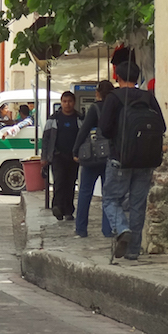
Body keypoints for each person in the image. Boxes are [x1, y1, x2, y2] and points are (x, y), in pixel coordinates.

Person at [99, 61, 165, 260]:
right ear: (137, 77)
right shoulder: (148, 97)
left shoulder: (113, 98)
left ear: (117, 77)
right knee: (138, 204)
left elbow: (105, 129)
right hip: (146, 160)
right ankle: (133, 250)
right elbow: (161, 126)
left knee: (110, 199)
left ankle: (121, 228)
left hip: (120, 158)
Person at [71, 80, 114, 239]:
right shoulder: (116, 109)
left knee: (84, 192)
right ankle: (107, 230)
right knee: (108, 194)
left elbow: (83, 131)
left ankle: (81, 229)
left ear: (97, 94)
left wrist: (75, 150)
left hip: (91, 157)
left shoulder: (95, 108)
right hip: (110, 156)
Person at [41, 91, 82, 221]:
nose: (67, 104)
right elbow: (46, 138)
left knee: (70, 183)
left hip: (74, 157)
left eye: (69, 101)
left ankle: (69, 210)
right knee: (59, 182)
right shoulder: (53, 119)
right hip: (57, 156)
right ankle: (57, 207)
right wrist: (44, 156)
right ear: (61, 102)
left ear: (74, 102)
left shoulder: (80, 119)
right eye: (64, 101)